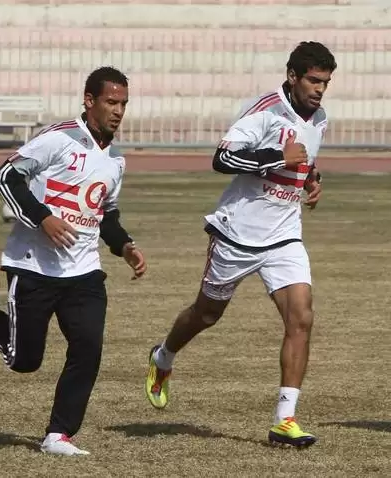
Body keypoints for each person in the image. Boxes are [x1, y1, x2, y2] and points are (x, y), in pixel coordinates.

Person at [144, 41, 335, 448]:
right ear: (293, 77)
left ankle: (284, 419)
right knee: (206, 314)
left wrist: (313, 179)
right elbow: (223, 158)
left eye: (325, 82)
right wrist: (275, 158)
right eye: (314, 81)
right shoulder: (265, 110)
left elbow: (303, 160)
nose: (319, 89)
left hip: (284, 236)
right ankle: (163, 356)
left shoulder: (319, 119)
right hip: (236, 234)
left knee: (301, 318)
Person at [0, 66, 147, 456]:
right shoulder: (58, 139)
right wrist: (43, 218)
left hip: (84, 272)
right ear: (89, 101)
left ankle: (59, 434)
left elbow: (104, 213)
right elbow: (7, 176)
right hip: (33, 266)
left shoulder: (116, 161)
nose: (118, 110)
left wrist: (124, 245)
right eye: (111, 101)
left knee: (88, 346)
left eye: (123, 103)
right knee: (24, 361)